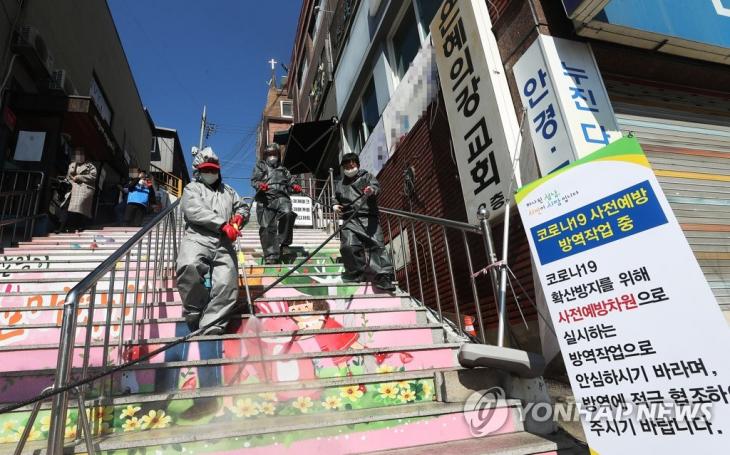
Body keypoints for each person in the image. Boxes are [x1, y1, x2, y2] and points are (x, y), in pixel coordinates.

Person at [176, 146, 250, 336]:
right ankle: (194, 309)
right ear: (198, 172)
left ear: (218, 171)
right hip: (197, 237)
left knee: (227, 281)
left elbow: (242, 206)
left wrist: (239, 218)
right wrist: (222, 224)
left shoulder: (229, 191)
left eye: (213, 170)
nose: (210, 173)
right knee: (189, 266)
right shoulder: (192, 188)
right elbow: (194, 210)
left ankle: (213, 323)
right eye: (206, 170)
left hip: (224, 241)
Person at [333, 153, 395, 291]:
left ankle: (384, 277)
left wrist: (371, 190)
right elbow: (335, 198)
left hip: (368, 217)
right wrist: (335, 205)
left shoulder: (366, 177)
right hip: (349, 219)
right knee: (347, 247)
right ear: (343, 167)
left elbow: (376, 187)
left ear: (357, 164)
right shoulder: (340, 184)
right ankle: (356, 273)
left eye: (352, 163)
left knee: (376, 246)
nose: (350, 166)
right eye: (347, 165)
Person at [251, 143, 302, 264]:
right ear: (265, 155)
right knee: (267, 227)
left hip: (282, 197)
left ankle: (284, 245)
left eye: (274, 154)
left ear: (278, 155)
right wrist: (259, 185)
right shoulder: (261, 166)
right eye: (269, 154)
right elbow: (254, 181)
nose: (272, 156)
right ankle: (271, 256)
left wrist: (295, 186)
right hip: (265, 199)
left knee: (287, 214)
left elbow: (292, 183)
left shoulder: (284, 170)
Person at [58, 147, 97, 232]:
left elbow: (93, 177)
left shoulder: (90, 166)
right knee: (65, 207)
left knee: (80, 209)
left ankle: (79, 227)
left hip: (83, 190)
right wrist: (67, 180)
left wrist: (80, 177)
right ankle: (61, 227)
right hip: (72, 189)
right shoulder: (72, 165)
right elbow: (68, 176)